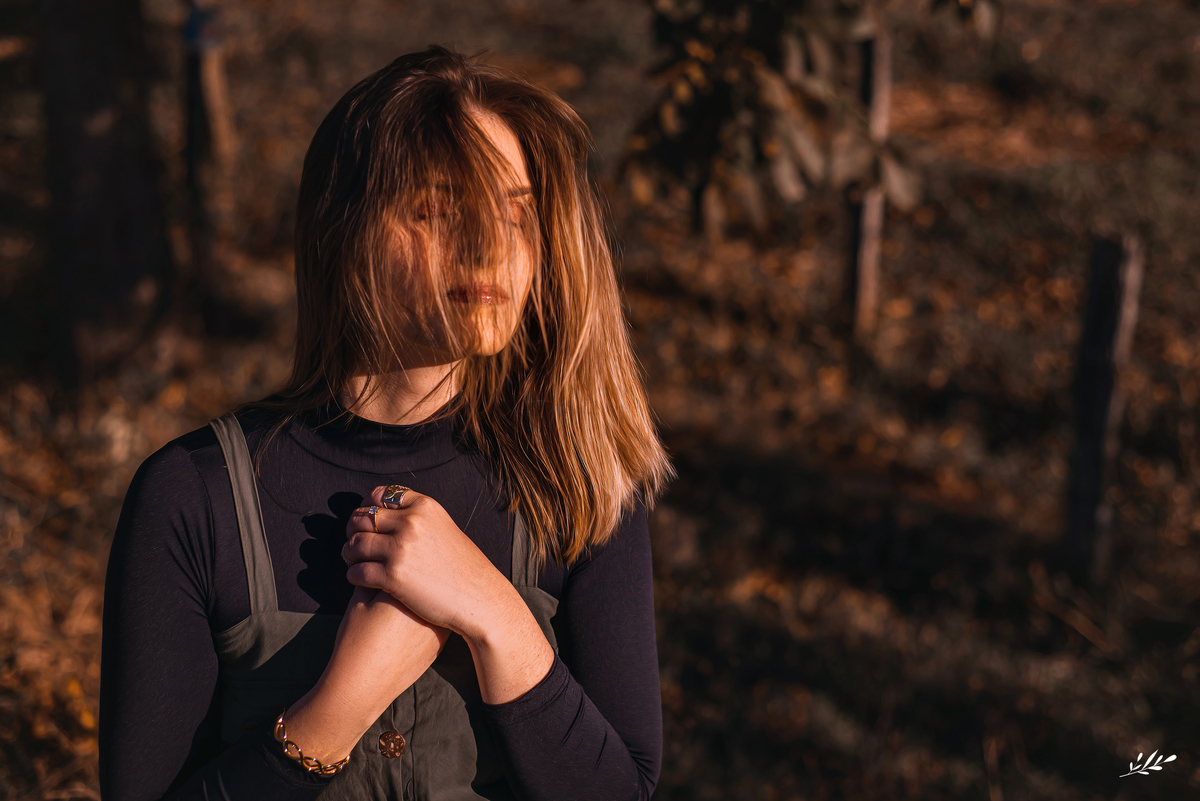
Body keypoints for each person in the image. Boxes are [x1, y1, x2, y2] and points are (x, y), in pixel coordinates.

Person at [99, 45, 672, 801]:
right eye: (438, 210)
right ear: (345, 232)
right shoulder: (191, 498)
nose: (492, 246)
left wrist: (498, 617)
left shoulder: (583, 484)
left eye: (515, 212)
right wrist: (337, 707)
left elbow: (621, 791)